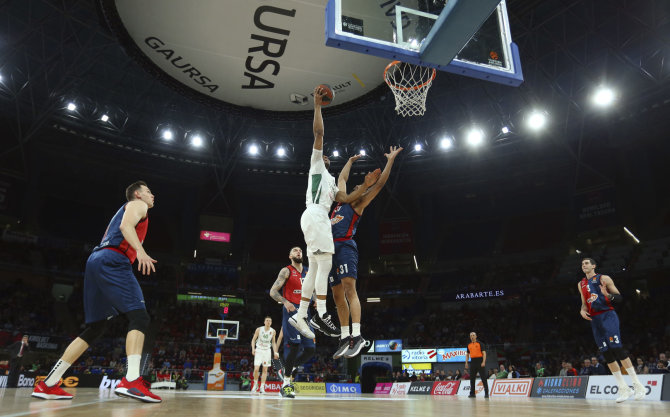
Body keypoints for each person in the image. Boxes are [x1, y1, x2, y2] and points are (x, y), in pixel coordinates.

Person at [32, 181, 161, 403]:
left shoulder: (128, 208)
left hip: (96, 261)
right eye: (149, 191)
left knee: (95, 328)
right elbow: (125, 227)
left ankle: (48, 383)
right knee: (139, 316)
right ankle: (131, 381)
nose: (153, 195)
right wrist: (140, 252)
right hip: (113, 259)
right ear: (138, 194)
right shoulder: (137, 205)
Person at [289, 86, 381, 341]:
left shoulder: (331, 184)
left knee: (316, 268)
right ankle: (320, 313)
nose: (326, 156)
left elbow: (349, 197)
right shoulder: (316, 165)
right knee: (325, 263)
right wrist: (317, 105)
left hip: (315, 218)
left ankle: (300, 315)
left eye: (329, 157)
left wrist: (365, 184)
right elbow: (319, 133)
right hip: (315, 214)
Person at [330, 146, 403, 359]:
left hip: (345, 247)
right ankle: (344, 337)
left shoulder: (358, 204)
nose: (354, 191)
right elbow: (341, 179)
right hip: (330, 251)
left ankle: (357, 335)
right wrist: (350, 162)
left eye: (357, 189)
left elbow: (379, 184)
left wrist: (390, 161)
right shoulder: (339, 202)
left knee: (349, 289)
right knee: (336, 295)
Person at [579, 257, 644, 403]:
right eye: (582, 264)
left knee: (617, 348)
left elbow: (619, 298)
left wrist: (607, 295)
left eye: (587, 263)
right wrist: (582, 310)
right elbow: (584, 303)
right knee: (606, 353)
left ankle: (638, 385)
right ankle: (623, 388)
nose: (584, 265)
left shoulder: (604, 278)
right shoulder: (581, 284)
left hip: (607, 315)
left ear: (594, 266)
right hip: (594, 320)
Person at [269, 247, 317, 398]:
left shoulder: (309, 271)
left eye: (300, 251)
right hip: (291, 311)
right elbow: (273, 292)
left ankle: (291, 366)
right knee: (294, 346)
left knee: (310, 349)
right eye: (295, 251)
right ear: (290, 256)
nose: (298, 252)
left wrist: (315, 299)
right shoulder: (286, 271)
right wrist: (285, 301)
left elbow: (311, 289)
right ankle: (286, 385)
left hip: (305, 312)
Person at [250, 316, 279, 394]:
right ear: (264, 322)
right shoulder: (259, 329)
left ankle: (262, 387)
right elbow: (253, 340)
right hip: (259, 350)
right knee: (256, 369)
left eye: (270, 321)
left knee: (265, 370)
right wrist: (253, 349)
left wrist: (275, 352)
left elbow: (273, 342)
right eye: (267, 320)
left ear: (271, 322)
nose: (268, 322)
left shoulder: (273, 331)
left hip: (267, 351)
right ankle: (255, 384)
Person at [464, 331, 489, 398]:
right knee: (472, 378)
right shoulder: (469, 345)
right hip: (473, 361)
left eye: (473, 335)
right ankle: (472, 393)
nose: (472, 336)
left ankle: (486, 393)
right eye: (471, 335)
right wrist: (466, 362)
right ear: (470, 337)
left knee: (483, 378)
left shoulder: (480, 343)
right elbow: (467, 355)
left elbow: (484, 353)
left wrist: (483, 362)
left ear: (476, 336)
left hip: (480, 360)